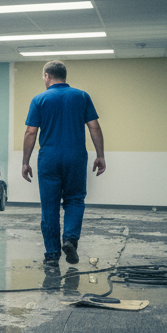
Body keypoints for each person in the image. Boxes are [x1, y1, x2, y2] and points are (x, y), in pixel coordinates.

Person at [21, 61, 105, 266]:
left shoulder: (39, 99)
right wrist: (100, 155)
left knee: (49, 206)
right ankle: (69, 239)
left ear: (47, 76)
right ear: (64, 76)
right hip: (75, 156)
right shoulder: (81, 96)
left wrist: (25, 161)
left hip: (49, 157)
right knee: (75, 200)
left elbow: (31, 132)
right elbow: (94, 127)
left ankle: (51, 254)